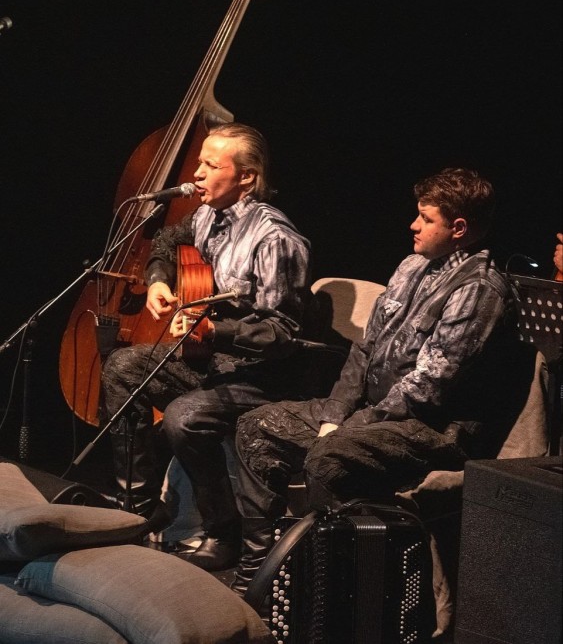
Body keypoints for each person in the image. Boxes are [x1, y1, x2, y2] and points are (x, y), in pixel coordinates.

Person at [231, 166, 528, 597]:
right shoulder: (412, 265)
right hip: (377, 413)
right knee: (256, 427)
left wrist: (348, 427)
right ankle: (260, 572)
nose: (413, 225)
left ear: (459, 228)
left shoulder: (480, 290)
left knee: (330, 455)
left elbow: (428, 387)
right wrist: (335, 413)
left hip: (434, 429)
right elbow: (365, 349)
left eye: (426, 218)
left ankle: (328, 590)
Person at [101, 122, 316, 572]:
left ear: (246, 177)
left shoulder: (275, 238)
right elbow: (165, 242)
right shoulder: (205, 216)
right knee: (123, 367)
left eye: (211, 165)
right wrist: (159, 281)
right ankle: (138, 511)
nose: (196, 173)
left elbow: (282, 333)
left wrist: (215, 330)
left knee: (185, 417)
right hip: (212, 361)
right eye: (199, 162)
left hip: (262, 374)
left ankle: (224, 531)